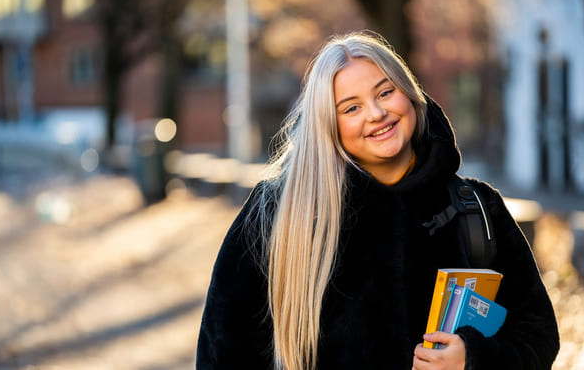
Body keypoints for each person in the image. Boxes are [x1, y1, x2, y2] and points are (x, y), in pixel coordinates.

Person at [196, 31, 559, 370]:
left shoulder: (476, 208)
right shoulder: (278, 214)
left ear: (411, 96)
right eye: (351, 108)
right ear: (328, 125)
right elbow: (224, 353)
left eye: (385, 93)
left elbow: (538, 336)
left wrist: (474, 358)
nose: (375, 113)